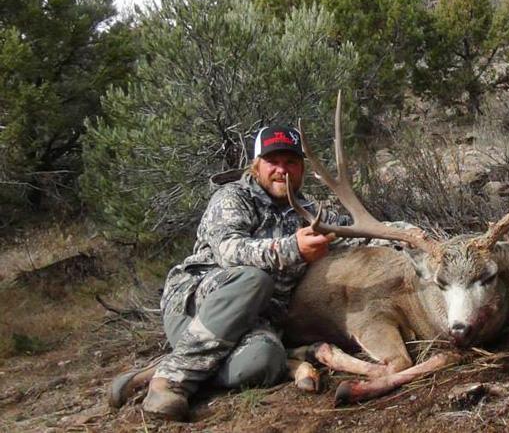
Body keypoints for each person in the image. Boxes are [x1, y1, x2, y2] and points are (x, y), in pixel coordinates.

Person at [108, 124, 346, 421]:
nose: (282, 170)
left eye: (291, 162)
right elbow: (229, 252)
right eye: (273, 162)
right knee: (254, 278)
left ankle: (171, 363)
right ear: (256, 164)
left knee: (264, 361)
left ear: (301, 168)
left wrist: (412, 236)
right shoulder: (232, 197)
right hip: (196, 306)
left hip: (249, 323)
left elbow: (357, 234)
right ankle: (169, 382)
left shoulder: (313, 212)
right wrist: (292, 249)